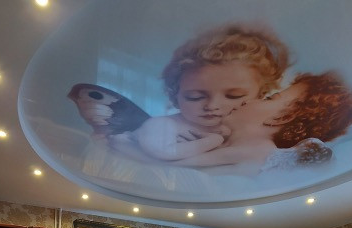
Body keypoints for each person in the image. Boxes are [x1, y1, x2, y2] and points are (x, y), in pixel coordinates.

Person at [69, 24, 290, 161]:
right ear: (175, 96)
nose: (212, 106)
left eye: (234, 96)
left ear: (261, 95)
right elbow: (164, 155)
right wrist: (212, 141)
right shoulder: (161, 126)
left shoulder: (253, 135)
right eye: (195, 97)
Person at [174, 72, 352, 171]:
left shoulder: (259, 151)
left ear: (283, 117)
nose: (248, 101)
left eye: (268, 99)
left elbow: (177, 167)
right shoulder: (246, 149)